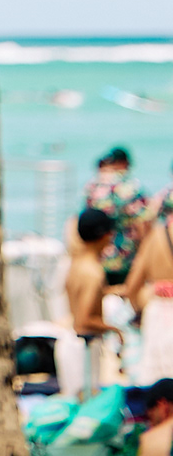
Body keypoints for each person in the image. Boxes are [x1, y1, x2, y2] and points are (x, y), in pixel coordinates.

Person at [64, 207, 116, 394]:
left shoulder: (76, 263)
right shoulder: (94, 272)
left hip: (70, 341)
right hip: (84, 346)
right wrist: (115, 329)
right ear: (104, 236)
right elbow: (83, 320)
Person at [86, 149, 154, 287]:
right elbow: (143, 223)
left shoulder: (93, 186)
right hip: (125, 259)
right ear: (125, 163)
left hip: (98, 256)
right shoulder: (130, 187)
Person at [126, 188, 173, 380]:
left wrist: (139, 309)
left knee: (157, 381)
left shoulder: (154, 237)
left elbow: (132, 286)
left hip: (157, 310)